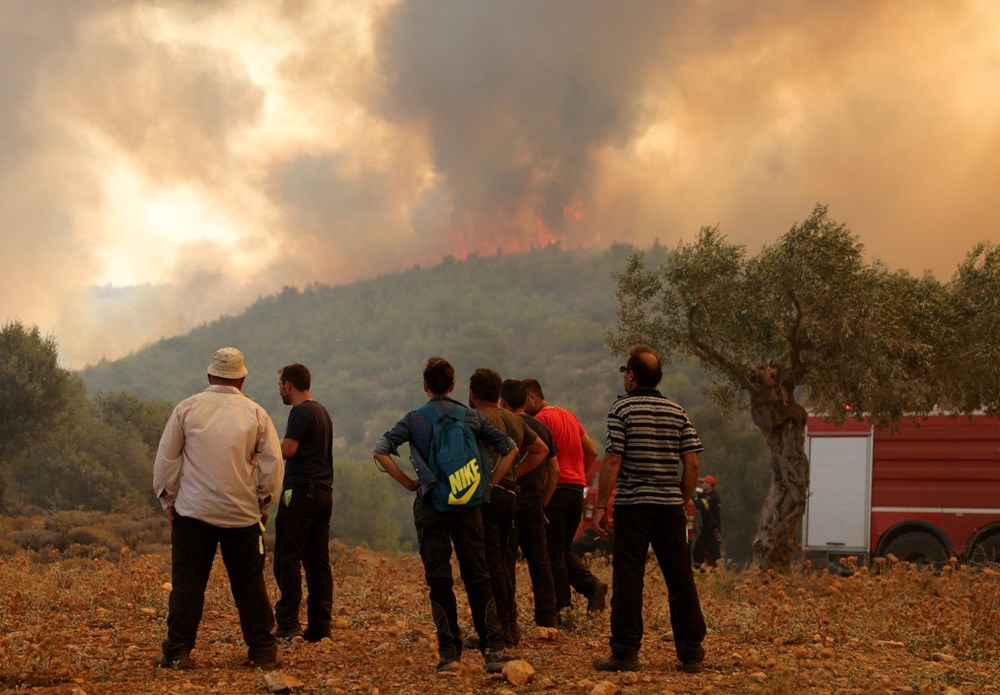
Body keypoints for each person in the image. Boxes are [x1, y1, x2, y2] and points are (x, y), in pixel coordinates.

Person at [373, 357, 521, 674]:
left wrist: (410, 482)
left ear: (425, 386)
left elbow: (381, 451)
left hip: (430, 506)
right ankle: (493, 649)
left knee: (439, 579)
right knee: (478, 576)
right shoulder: (470, 417)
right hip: (468, 506)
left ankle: (449, 654)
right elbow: (511, 449)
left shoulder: (414, 419)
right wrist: (487, 484)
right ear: (453, 386)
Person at [152, 347, 284, 670]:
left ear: (210, 375)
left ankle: (178, 651)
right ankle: (263, 651)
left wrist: (168, 500)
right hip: (242, 516)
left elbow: (167, 460)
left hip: (194, 513)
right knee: (249, 583)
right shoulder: (256, 414)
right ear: (241, 378)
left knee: (188, 583)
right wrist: (264, 502)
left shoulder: (187, 409)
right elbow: (272, 465)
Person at [592, 345, 707, 674]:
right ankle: (691, 653)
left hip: (633, 505)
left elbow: (613, 458)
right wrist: (680, 498)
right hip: (669, 506)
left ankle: (626, 652)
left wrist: (602, 504)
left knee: (629, 576)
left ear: (631, 376)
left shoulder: (622, 409)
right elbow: (693, 463)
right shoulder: (677, 410)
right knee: (680, 577)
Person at [468, 368, 548, 648]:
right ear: (498, 394)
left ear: (472, 394)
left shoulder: (474, 420)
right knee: (503, 561)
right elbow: (540, 450)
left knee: (488, 564)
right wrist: (514, 472)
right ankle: (510, 624)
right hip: (510, 497)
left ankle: (499, 629)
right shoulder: (514, 420)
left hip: (486, 497)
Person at [523, 378, 608, 616]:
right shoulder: (569, 416)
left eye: (523, 401)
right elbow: (591, 451)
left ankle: (563, 606)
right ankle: (592, 587)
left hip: (556, 490)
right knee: (561, 549)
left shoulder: (540, 420)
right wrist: (579, 474)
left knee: (552, 552)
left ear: (532, 398)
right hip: (575, 491)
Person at [273, 363, 334, 642]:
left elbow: (289, 449)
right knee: (317, 562)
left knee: (287, 557)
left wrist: (263, 445)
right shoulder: (322, 411)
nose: (280, 391)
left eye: (280, 385)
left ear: (288, 385)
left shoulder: (300, 412)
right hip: (323, 492)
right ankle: (320, 626)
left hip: (300, 492)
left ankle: (288, 626)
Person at [500, 378, 560, 632]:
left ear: (502, 402)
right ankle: (547, 618)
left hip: (510, 504)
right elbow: (555, 470)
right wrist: (543, 502)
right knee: (540, 562)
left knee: (506, 562)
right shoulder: (540, 427)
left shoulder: (503, 427)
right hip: (535, 505)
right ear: (525, 400)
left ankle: (509, 620)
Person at [693, 475, 723, 569]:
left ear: (709, 484)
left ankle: (718, 575)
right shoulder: (707, 497)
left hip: (711, 530)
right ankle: (701, 574)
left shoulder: (713, 498)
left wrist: (694, 498)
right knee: (697, 553)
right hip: (706, 530)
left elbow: (701, 505)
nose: (702, 484)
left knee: (714, 556)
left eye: (704, 483)